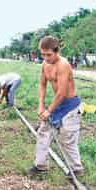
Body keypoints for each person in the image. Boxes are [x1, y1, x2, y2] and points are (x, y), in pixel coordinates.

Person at [28, 36, 84, 176]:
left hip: (70, 105)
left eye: (49, 54)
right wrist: (41, 106)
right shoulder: (45, 64)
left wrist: (49, 110)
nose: (46, 58)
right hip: (57, 104)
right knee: (43, 132)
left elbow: (62, 92)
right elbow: (42, 84)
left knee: (67, 138)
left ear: (57, 51)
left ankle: (76, 169)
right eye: (43, 54)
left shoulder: (63, 65)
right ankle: (40, 165)